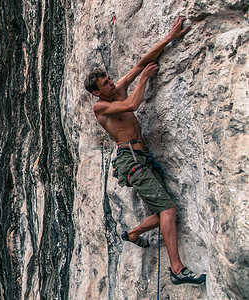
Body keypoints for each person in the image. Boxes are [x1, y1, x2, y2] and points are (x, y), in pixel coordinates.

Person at [84, 17, 206, 285]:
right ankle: (177, 270)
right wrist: (143, 81)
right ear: (97, 93)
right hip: (131, 161)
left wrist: (168, 38)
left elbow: (140, 64)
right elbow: (131, 105)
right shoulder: (100, 108)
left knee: (163, 209)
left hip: (142, 157)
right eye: (106, 84)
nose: (112, 84)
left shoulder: (117, 88)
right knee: (169, 210)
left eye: (110, 79)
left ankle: (132, 234)